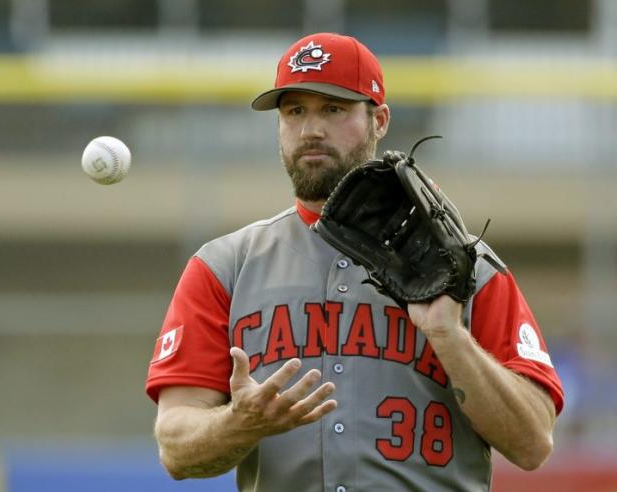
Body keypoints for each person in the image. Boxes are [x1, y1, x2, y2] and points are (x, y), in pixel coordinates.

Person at [146, 33, 564, 491]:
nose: (311, 129)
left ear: (379, 120)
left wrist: (449, 335)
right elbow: (176, 448)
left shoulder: (466, 267)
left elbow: (532, 444)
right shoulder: (224, 267)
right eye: (294, 111)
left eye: (333, 108)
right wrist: (239, 423)